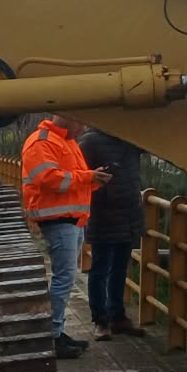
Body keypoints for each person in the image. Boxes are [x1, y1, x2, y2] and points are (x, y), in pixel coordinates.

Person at [20, 114, 111, 357]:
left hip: (72, 219)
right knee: (63, 279)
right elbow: (49, 180)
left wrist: (93, 178)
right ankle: (52, 335)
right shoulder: (42, 142)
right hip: (59, 221)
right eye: (80, 122)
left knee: (65, 279)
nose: (83, 128)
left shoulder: (65, 142)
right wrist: (89, 177)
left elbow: (72, 180)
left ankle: (57, 331)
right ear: (66, 119)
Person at [80, 128, 143, 338]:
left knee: (120, 269)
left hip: (129, 214)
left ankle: (118, 316)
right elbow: (81, 174)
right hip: (103, 214)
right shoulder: (90, 141)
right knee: (100, 269)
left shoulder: (133, 138)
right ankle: (100, 320)